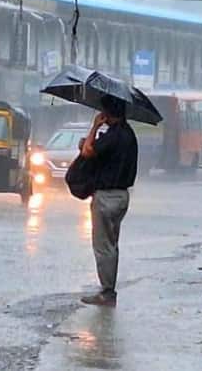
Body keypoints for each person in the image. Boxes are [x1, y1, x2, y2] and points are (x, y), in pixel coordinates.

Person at [79, 95, 138, 306]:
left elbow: (87, 151)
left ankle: (107, 292)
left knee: (103, 246)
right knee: (112, 244)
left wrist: (94, 127)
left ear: (107, 113)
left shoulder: (113, 136)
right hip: (122, 197)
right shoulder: (130, 134)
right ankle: (109, 288)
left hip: (106, 197)